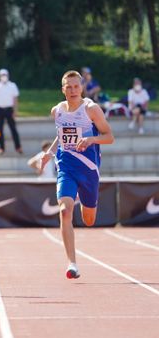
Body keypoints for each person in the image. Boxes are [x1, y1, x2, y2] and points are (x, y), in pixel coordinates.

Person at [39, 70, 113, 279]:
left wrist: (91, 140)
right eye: (68, 87)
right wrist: (50, 153)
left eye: (75, 86)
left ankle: (86, 202)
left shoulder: (91, 110)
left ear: (81, 88)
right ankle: (72, 263)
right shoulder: (57, 111)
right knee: (64, 211)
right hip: (66, 167)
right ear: (62, 89)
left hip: (88, 169)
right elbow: (61, 135)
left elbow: (109, 136)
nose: (72, 90)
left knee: (89, 220)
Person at [0, 68, 22, 155]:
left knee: (13, 129)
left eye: (5, 75)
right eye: (2, 75)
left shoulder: (12, 85)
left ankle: (18, 147)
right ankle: (1, 148)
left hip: (9, 110)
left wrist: (15, 111)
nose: (4, 77)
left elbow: (15, 99)